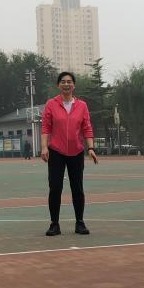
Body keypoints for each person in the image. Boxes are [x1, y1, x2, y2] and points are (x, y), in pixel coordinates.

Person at [40, 71, 97, 236]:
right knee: (55, 187)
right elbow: (45, 127)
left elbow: (87, 128)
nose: (66, 84)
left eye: (69, 81)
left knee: (77, 188)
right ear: (58, 85)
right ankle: (54, 224)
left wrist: (91, 148)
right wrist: (44, 147)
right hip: (56, 152)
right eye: (63, 82)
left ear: (74, 85)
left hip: (76, 152)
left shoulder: (82, 105)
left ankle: (80, 223)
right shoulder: (51, 104)